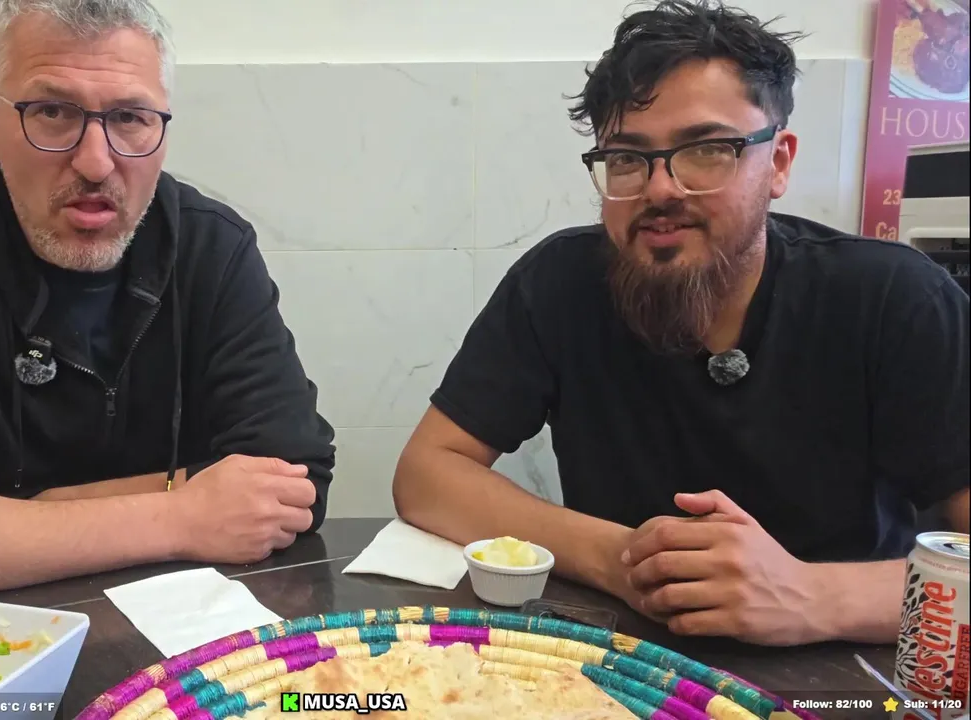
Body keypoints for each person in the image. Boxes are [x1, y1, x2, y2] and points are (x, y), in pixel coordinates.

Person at [394, 0, 969, 647]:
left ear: (779, 162)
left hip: (841, 667)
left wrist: (814, 596)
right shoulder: (559, 283)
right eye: (628, 158)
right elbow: (427, 474)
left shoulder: (895, 298)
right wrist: (622, 559)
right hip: (621, 661)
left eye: (706, 150)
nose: (661, 188)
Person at [0, 0, 335, 603]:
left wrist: (33, 514)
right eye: (53, 113)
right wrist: (182, 516)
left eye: (130, 117)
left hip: (193, 633)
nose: (95, 161)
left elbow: (295, 481)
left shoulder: (211, 247)